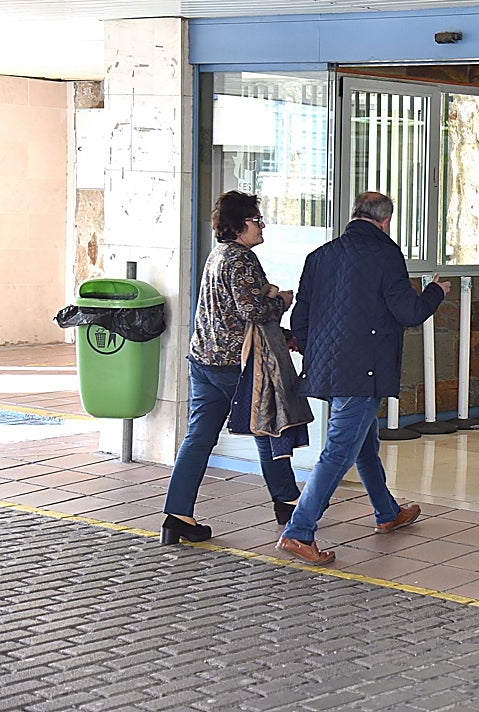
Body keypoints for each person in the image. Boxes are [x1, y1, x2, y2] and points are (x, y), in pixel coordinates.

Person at [275, 191, 451, 565]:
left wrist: (316, 353)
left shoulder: (319, 256)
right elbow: (407, 311)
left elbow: (300, 320)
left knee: (364, 442)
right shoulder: (386, 255)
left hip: (330, 368)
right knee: (340, 450)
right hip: (364, 371)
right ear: (385, 221)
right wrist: (436, 291)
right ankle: (299, 531)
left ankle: (387, 512)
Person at [160, 191, 302, 545]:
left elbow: (229, 314)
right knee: (267, 428)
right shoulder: (241, 259)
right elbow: (252, 312)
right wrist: (282, 300)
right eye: (256, 219)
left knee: (198, 438)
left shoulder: (217, 256)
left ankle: (176, 515)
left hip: (204, 361)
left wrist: (280, 333)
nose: (262, 225)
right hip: (236, 366)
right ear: (239, 225)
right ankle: (287, 503)